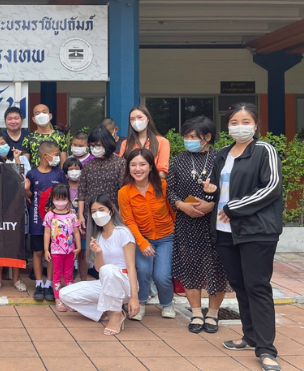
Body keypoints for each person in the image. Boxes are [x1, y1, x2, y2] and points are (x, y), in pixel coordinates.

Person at [202, 103, 283, 371]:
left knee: (257, 286)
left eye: (245, 121)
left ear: (256, 125)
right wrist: (211, 191)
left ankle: (266, 349)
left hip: (256, 231)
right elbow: (218, 191)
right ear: (228, 126)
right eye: (234, 121)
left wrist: (233, 208)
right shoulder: (222, 154)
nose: (240, 126)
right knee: (240, 286)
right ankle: (250, 336)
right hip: (225, 232)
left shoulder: (264, 150)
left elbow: (271, 187)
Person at [168, 116, 228, 334]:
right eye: (186, 136)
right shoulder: (178, 160)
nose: (188, 140)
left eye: (193, 136)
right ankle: (195, 312)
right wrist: (181, 205)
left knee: (217, 268)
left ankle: (212, 314)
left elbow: (231, 189)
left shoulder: (221, 158)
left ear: (207, 137)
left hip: (215, 223)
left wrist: (212, 204)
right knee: (190, 266)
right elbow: (170, 190)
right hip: (186, 223)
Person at [59, 195, 139, 336]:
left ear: (111, 211)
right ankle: (106, 311)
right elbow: (98, 269)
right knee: (64, 294)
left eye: (101, 209)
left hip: (125, 283)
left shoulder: (123, 232)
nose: (98, 214)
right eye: (94, 211)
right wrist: (99, 252)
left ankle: (116, 315)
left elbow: (132, 267)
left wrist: (134, 297)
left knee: (108, 270)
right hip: (106, 281)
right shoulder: (99, 236)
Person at [118, 148, 176, 321]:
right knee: (142, 270)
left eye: (142, 164)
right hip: (140, 238)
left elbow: (174, 212)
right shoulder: (124, 192)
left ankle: (167, 303)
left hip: (166, 237)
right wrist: (142, 242)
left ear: (151, 167)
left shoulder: (163, 187)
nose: (138, 169)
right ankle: (141, 303)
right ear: (128, 168)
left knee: (162, 275)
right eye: (133, 165)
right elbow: (129, 221)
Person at [26, 141, 67, 302]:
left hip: (56, 223)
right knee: (37, 252)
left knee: (53, 254)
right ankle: (38, 284)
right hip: (37, 221)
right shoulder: (32, 174)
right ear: (46, 155)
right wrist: (26, 190)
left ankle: (50, 283)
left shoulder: (59, 173)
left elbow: (64, 195)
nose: (57, 158)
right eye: (56, 154)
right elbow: (29, 197)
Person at [77, 127, 126, 262]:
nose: (94, 148)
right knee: (95, 250)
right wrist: (81, 214)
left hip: (113, 215)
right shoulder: (88, 165)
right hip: (92, 215)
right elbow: (82, 191)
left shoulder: (120, 163)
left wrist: (121, 214)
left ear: (107, 143)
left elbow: (124, 192)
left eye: (98, 145)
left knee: (113, 249)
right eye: (92, 146)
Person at [0, 133, 29, 293]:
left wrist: (17, 160)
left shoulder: (21, 159)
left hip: (17, 207)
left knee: (16, 243)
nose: (1, 147)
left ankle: (16, 279)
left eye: (3, 143)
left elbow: (25, 178)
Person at [43, 184, 81, 311]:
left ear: (68, 199)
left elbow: (76, 232)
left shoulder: (72, 215)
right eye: (57, 199)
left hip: (70, 251)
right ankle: (58, 299)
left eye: (63, 199)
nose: (60, 202)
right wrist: (46, 250)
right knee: (57, 275)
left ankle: (69, 300)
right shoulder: (50, 215)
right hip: (56, 251)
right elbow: (47, 233)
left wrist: (79, 247)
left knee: (69, 276)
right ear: (52, 199)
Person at [119, 105, 171, 178]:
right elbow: (123, 169)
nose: (136, 121)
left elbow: (162, 172)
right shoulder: (125, 143)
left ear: (148, 119)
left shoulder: (162, 142)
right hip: (131, 186)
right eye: (132, 119)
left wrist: (144, 182)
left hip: (153, 186)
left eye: (139, 117)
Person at [62, 156, 87, 280]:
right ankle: (68, 280)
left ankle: (83, 280)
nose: (74, 171)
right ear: (66, 172)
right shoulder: (63, 188)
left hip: (82, 227)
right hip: (67, 228)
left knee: (83, 253)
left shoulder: (85, 187)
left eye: (76, 169)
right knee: (69, 254)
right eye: (70, 169)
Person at [22, 103, 68, 168]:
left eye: (44, 112)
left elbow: (63, 162)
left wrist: (63, 175)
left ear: (50, 116)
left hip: (56, 176)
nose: (41, 115)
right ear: (33, 119)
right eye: (37, 113)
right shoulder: (29, 138)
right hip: (34, 176)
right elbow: (25, 163)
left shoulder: (60, 136)